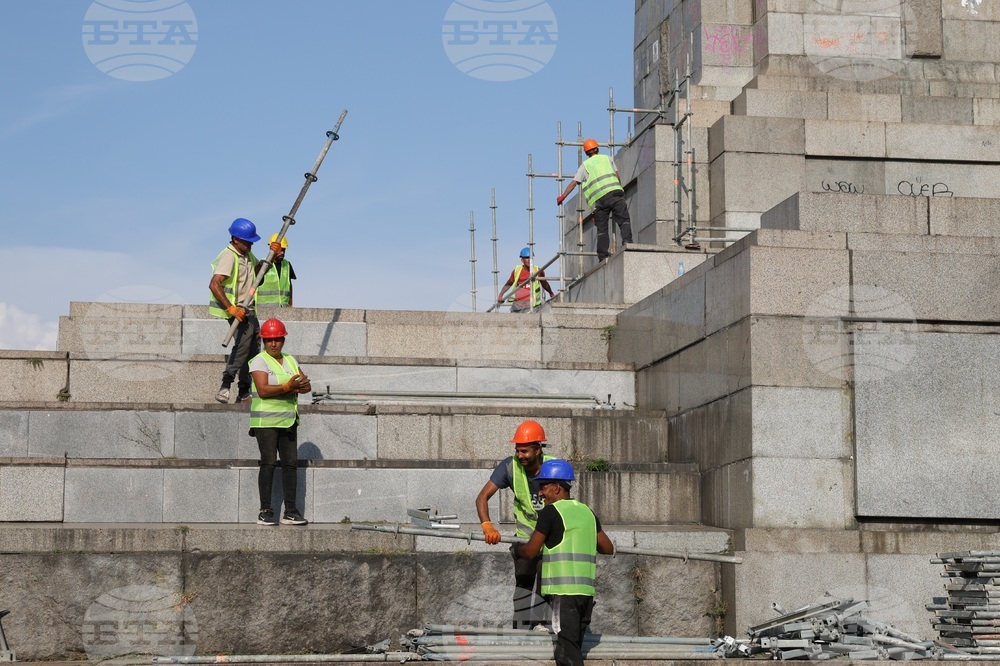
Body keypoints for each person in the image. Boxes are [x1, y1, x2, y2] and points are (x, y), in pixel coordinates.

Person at [515, 459, 615, 666]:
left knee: (568, 651)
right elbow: (608, 548)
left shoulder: (550, 513)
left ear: (557, 487)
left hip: (563, 594)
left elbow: (532, 551)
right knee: (570, 647)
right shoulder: (587, 512)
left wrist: (519, 550)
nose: (540, 493)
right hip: (585, 595)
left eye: (543, 487)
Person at [475, 420, 555, 629]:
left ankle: (542, 632)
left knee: (546, 590)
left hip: (550, 541)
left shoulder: (554, 467)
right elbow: (482, 497)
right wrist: (487, 525)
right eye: (518, 450)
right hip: (524, 540)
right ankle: (520, 633)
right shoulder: (510, 466)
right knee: (523, 588)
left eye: (525, 451)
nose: (520, 455)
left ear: (538, 450)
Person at [249, 317, 311, 526]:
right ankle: (265, 510)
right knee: (268, 464)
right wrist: (288, 387)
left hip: (288, 421)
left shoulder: (291, 360)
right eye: (269, 340)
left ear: (283, 340)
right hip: (265, 422)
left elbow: (305, 385)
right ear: (263, 341)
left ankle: (291, 511)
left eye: (277, 339)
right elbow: (263, 390)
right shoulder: (259, 360)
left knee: (290, 465)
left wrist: (298, 385)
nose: (273, 343)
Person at [210, 218, 263, 404]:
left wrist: (269, 260)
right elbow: (214, 284)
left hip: (249, 310)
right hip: (237, 310)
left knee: (254, 349)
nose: (250, 244)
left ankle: (244, 391)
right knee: (242, 346)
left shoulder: (247, 255)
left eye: (251, 241)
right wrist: (231, 309)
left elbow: (257, 277)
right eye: (247, 241)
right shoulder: (229, 256)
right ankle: (225, 386)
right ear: (236, 240)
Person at [556, 138, 633, 262]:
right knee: (624, 220)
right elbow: (617, 176)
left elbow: (573, 184)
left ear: (586, 153)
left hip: (600, 201)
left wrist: (563, 196)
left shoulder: (584, 166)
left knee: (602, 230)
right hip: (615, 193)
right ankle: (627, 242)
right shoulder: (607, 158)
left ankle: (603, 257)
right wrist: (618, 190)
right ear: (597, 148)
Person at [497, 248, 555, 313]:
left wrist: (551, 293)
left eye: (531, 258)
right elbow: (509, 283)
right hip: (517, 305)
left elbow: (545, 284)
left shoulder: (538, 270)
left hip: (532, 305)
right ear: (522, 260)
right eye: (527, 258)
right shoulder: (517, 270)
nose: (529, 260)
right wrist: (501, 294)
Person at [255, 233, 296, 308]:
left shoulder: (287, 264)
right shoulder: (263, 264)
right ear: (272, 248)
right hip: (264, 310)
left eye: (284, 250)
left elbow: (289, 287)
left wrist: (291, 307)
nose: (282, 253)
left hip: (283, 309)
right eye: (280, 250)